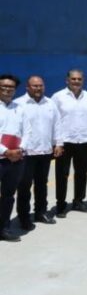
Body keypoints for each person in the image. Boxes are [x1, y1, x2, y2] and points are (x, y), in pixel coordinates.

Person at [15, 76, 60, 228]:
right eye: (34, 86)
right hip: (26, 153)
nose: (38, 88)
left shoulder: (50, 103)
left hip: (45, 151)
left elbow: (57, 125)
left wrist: (58, 143)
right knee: (24, 186)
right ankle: (23, 217)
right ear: (27, 87)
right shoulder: (19, 104)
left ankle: (41, 212)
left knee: (42, 184)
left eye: (40, 85)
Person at [52, 69, 87, 217]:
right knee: (62, 175)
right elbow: (54, 121)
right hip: (64, 142)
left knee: (81, 174)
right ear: (67, 80)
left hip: (84, 141)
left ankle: (78, 201)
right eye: (73, 79)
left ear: (83, 80)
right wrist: (56, 142)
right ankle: (61, 204)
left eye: (79, 79)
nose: (76, 81)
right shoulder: (58, 97)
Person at [0, 74, 25, 242]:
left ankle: (4, 228)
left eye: (11, 87)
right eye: (4, 86)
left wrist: (19, 150)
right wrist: (5, 151)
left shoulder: (19, 108)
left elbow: (27, 131)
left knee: (8, 195)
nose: (7, 89)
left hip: (15, 159)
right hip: (2, 156)